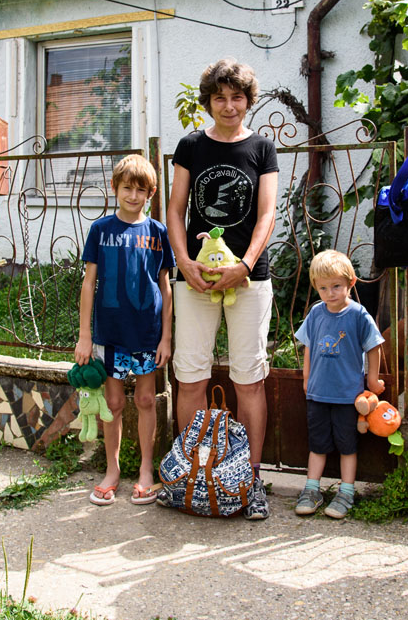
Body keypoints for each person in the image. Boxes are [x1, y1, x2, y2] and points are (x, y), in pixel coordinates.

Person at [167, 58, 278, 521]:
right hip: (195, 277)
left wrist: (246, 265)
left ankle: (248, 479)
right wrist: (183, 263)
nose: (228, 106)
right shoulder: (191, 145)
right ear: (208, 101)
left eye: (237, 97)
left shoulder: (262, 148)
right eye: (219, 97)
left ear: (248, 101)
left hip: (248, 280)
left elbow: (268, 214)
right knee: (191, 375)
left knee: (247, 376)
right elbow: (174, 210)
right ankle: (193, 473)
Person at [75, 154, 175, 507]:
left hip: (147, 333)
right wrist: (85, 336)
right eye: (126, 188)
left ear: (150, 193)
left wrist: (166, 337)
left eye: (141, 190)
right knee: (113, 403)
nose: (133, 195)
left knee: (147, 400)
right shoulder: (100, 230)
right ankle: (112, 472)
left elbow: (165, 287)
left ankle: (147, 471)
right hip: (110, 334)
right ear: (115, 188)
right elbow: (89, 284)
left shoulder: (157, 232)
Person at [293, 250, 384, 519]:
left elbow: (374, 346)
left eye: (336, 286)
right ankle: (312, 489)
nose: (330, 293)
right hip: (318, 393)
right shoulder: (316, 313)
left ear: (350, 283)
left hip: (347, 396)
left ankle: (346, 492)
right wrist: (306, 378)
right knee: (317, 444)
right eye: (323, 288)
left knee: (347, 445)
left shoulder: (358, 315)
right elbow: (309, 346)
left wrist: (372, 379)